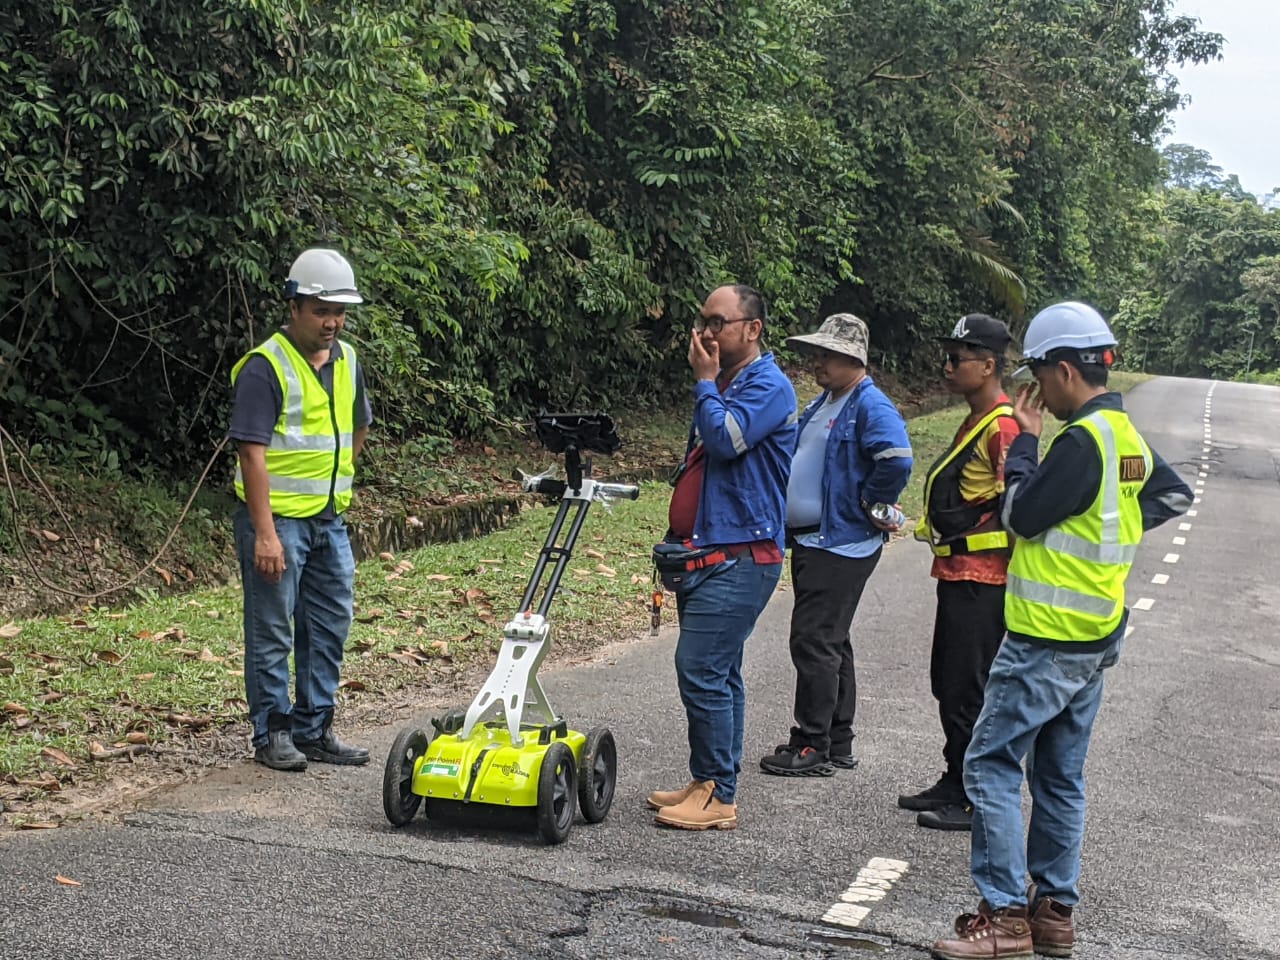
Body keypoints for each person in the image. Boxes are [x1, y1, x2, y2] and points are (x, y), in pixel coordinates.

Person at [930, 302, 1192, 960]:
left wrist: (1024, 446)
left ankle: (1005, 917)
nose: (1038, 391)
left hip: (1044, 637)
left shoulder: (1080, 442)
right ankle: (1054, 913)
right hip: (1094, 637)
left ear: (1067, 370)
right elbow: (1168, 497)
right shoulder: (1125, 437)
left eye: (1041, 376)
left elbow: (1019, 515)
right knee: (1059, 777)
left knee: (987, 765)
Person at [647, 284, 797, 830]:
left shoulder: (769, 387)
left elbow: (727, 439)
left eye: (718, 322)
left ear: (752, 329)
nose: (706, 332)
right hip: (710, 552)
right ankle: (709, 781)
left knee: (701, 667)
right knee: (722, 671)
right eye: (702, 321)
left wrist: (704, 383)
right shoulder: (733, 383)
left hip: (741, 555)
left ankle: (719, 797)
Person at [229, 248, 373, 772]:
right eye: (321, 310)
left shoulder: (349, 360)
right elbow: (251, 451)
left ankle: (315, 728)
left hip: (328, 520)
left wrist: (338, 478)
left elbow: (358, 425)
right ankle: (272, 733)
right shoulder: (265, 367)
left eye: (339, 311)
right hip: (278, 523)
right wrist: (265, 534)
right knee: (273, 630)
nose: (332, 322)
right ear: (294, 306)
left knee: (329, 624)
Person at [758, 313, 912, 777]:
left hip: (840, 543)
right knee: (832, 640)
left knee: (813, 640)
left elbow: (897, 458)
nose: (816, 363)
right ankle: (837, 738)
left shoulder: (870, 405)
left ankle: (811, 743)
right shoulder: (828, 401)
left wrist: (867, 501)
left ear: (853, 358)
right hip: (815, 540)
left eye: (826, 355)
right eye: (816, 354)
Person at [900, 314, 1020, 830]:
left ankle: (975, 798)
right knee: (948, 684)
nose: (946, 367)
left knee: (969, 687)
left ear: (988, 365)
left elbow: (1019, 508)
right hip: (957, 573)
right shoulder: (976, 418)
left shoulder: (1003, 426)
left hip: (985, 580)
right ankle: (956, 776)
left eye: (957, 359)